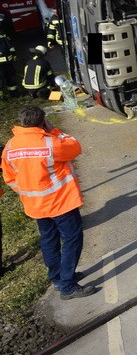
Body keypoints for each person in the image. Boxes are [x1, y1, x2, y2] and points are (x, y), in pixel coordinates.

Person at [2, 105, 98, 299]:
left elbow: (10, 178)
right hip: (60, 202)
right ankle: (68, 284)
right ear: (43, 122)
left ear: (22, 122)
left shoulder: (10, 147)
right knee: (72, 239)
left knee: (49, 240)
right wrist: (55, 131)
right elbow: (75, 147)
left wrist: (29, 193)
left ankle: (57, 277)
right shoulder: (51, 143)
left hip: (35, 205)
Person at [0, 25, 18, 97]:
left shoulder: (2, 32)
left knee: (11, 78)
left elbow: (9, 45)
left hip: (8, 62)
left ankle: (14, 93)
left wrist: (14, 54)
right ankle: (1, 97)